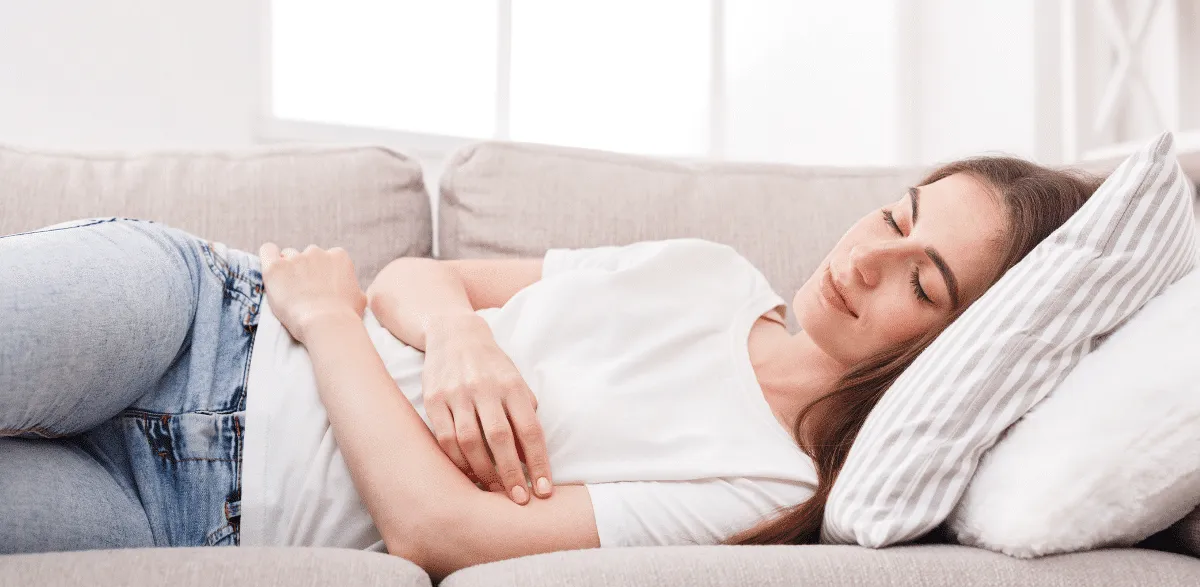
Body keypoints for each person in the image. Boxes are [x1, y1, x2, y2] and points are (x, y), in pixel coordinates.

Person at [0, 156, 1103, 559]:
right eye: (894, 216)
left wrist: (338, 324)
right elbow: (416, 282)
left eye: (924, 281)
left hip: (191, 519)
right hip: (202, 318)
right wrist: (463, 338)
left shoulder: (769, 484)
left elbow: (441, 530)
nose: (869, 259)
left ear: (966, 345)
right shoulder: (708, 268)